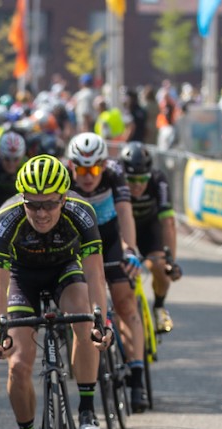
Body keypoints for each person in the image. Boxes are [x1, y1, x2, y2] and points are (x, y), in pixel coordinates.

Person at [0, 155, 111, 429]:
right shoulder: (5, 219)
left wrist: (103, 323)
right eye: (33, 205)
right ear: (22, 201)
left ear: (64, 198)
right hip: (21, 278)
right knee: (19, 362)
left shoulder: (81, 214)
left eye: (50, 205)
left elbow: (96, 275)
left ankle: (86, 408)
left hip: (64, 270)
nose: (41, 213)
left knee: (85, 322)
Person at [67, 133, 147, 413]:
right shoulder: (64, 177)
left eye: (94, 169)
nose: (88, 176)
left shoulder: (114, 175)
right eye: (82, 169)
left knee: (125, 301)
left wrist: (130, 249)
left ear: (103, 164)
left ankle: (137, 378)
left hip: (110, 238)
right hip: (77, 241)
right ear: (71, 165)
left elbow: (125, 214)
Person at [119, 142, 182, 335]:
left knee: (160, 268)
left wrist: (170, 260)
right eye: (132, 180)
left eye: (142, 179)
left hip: (149, 227)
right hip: (122, 227)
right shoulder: (116, 178)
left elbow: (168, 223)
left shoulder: (158, 179)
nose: (137, 185)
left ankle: (159, 307)